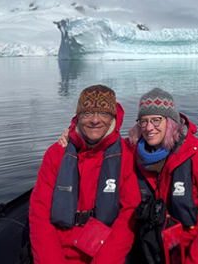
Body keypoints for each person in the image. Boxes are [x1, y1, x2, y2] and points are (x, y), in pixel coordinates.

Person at [58, 87, 198, 264]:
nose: (149, 128)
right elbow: (102, 141)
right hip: (149, 249)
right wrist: (74, 132)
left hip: (190, 252)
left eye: (156, 120)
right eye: (143, 121)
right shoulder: (131, 150)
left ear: (171, 121)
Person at [29, 84, 141, 264]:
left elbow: (129, 215)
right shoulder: (56, 153)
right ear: (78, 117)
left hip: (104, 253)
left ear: (112, 116)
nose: (95, 120)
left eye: (103, 113)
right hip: (58, 251)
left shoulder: (126, 156)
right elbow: (39, 212)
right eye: (87, 113)